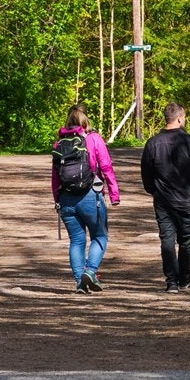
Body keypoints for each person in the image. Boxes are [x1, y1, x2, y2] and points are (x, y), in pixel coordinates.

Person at [140, 102, 190, 291]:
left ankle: (171, 282)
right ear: (180, 118)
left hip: (163, 200)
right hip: (186, 200)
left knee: (167, 239)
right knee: (185, 240)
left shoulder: (153, 143)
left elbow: (146, 172)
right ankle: (183, 278)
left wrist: (153, 191)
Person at [51, 104, 121, 293]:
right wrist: (114, 194)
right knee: (100, 236)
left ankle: (79, 281)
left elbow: (55, 177)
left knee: (76, 240)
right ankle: (90, 272)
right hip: (91, 196)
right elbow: (106, 167)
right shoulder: (94, 139)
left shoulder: (59, 145)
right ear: (86, 120)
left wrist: (57, 200)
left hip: (66, 199)